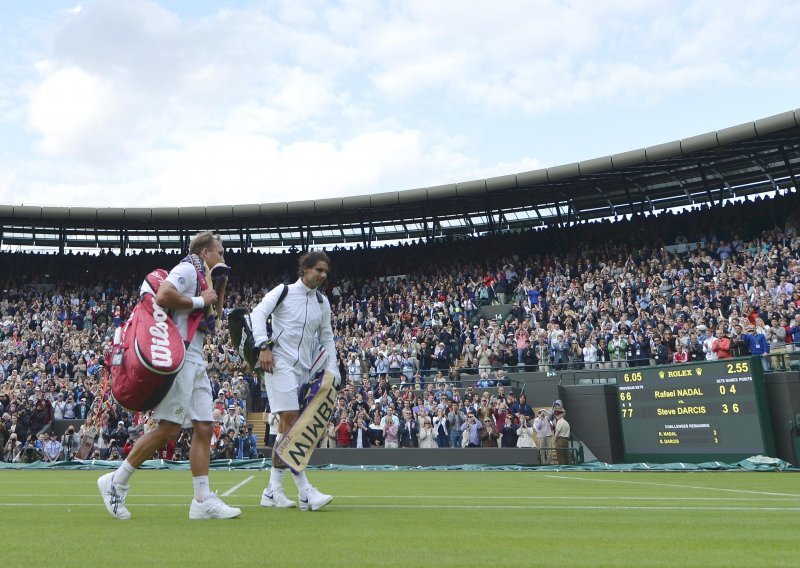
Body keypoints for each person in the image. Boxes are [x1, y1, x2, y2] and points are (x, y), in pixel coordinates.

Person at [97, 231, 241, 520]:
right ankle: (116, 481)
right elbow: (165, 295)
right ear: (205, 253)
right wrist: (201, 300)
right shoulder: (188, 268)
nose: (223, 257)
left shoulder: (205, 279)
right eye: (220, 252)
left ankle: (202, 501)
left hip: (197, 358)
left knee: (203, 427)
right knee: (169, 428)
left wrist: (218, 290)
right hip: (181, 356)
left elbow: (213, 317)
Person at [250, 251, 340, 511]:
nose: (323, 276)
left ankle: (272, 491)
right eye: (319, 270)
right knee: (292, 422)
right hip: (277, 363)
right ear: (305, 269)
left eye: (326, 272)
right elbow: (257, 314)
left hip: (304, 370)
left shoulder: (323, 303)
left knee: (285, 431)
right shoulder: (283, 291)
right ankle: (305, 491)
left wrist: (333, 370)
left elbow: (327, 338)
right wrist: (263, 346)